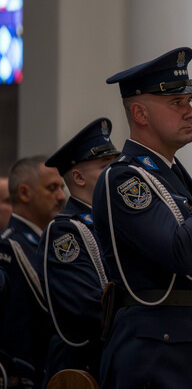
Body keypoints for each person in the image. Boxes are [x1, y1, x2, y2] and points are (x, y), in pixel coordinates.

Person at [93, 46, 192, 388]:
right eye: (178, 103)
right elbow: (181, 253)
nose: (191, 112)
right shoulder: (124, 179)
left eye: (189, 102)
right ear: (140, 113)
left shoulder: (173, 175)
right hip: (156, 356)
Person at [39, 118, 120, 381]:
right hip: (86, 369)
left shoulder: (114, 222)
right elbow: (87, 310)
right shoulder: (65, 232)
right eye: (106, 167)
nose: (117, 173)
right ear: (78, 176)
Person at [0, 155, 66, 386]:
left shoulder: (48, 243)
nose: (61, 196)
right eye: (52, 188)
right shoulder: (8, 248)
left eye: (61, 187)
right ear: (25, 193)